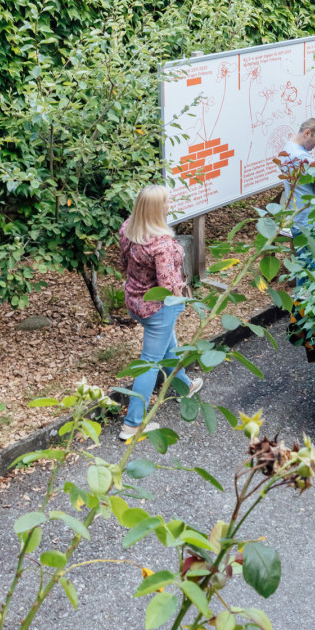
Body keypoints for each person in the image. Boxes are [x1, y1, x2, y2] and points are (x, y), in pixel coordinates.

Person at [116, 184, 202, 441]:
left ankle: (183, 385)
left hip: (135, 300)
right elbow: (167, 286)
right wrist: (185, 299)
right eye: (166, 202)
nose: (169, 205)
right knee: (150, 363)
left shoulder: (129, 226)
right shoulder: (161, 243)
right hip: (157, 309)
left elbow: (123, 262)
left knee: (168, 344)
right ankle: (133, 424)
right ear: (156, 209)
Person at [278, 118, 315, 242]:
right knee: (310, 259)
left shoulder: (288, 148)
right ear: (307, 133)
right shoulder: (300, 156)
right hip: (307, 220)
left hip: (296, 216)